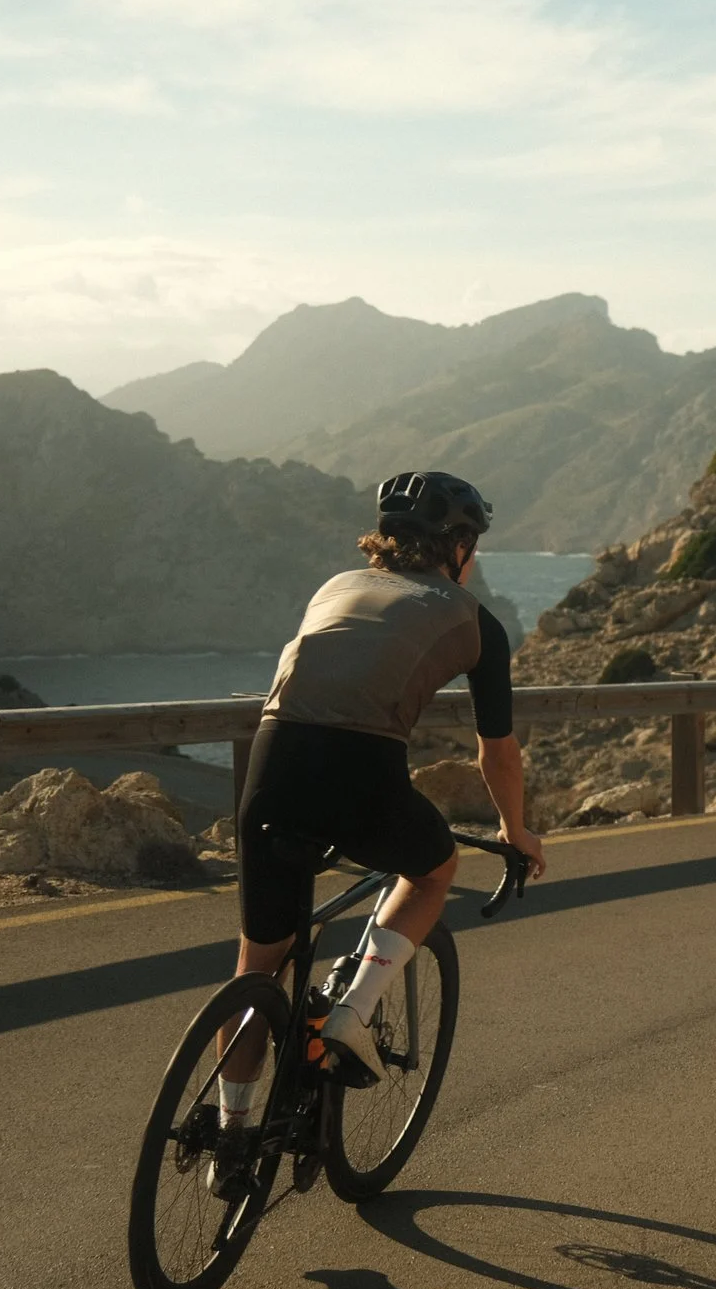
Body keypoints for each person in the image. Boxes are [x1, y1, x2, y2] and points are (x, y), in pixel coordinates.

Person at [212, 470, 547, 1194]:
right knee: (432, 869)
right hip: (360, 771)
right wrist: (516, 831)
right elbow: (499, 751)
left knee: (256, 970)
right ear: (457, 545)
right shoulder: (473, 620)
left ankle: (229, 1138)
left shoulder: (333, 587)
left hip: (272, 765)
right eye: (472, 543)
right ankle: (352, 1014)